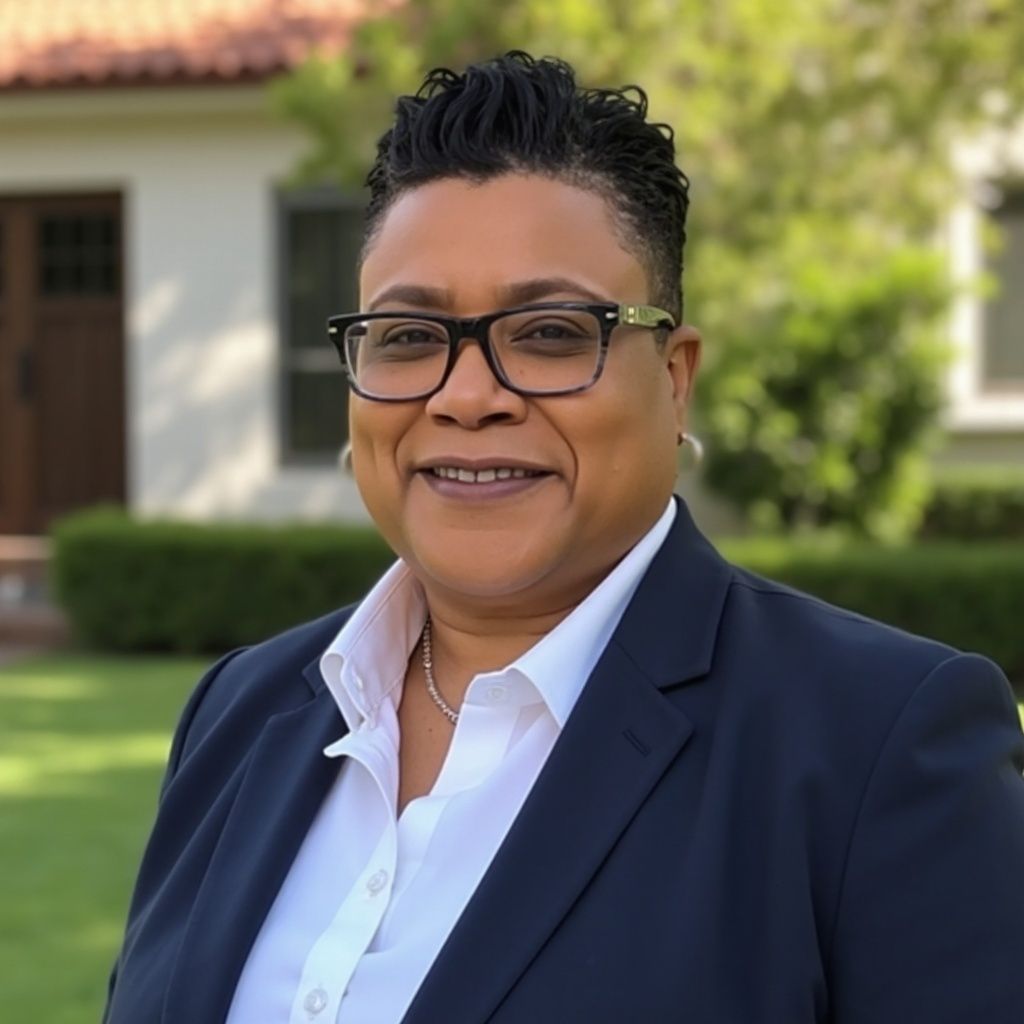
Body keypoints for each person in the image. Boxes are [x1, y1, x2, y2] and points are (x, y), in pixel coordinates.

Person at [103, 52, 1024, 1024]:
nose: (466, 397)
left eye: (548, 333)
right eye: (409, 337)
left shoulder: (874, 746)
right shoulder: (241, 713)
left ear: (674, 378)